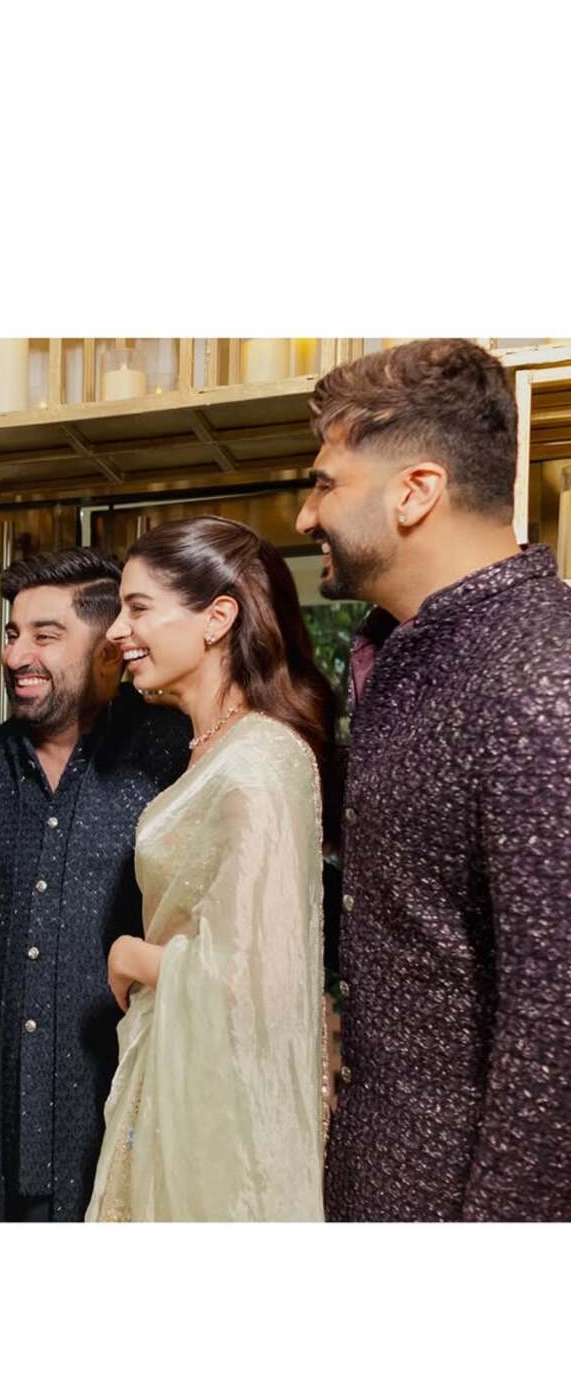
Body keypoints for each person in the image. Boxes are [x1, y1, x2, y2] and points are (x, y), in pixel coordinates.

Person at [297, 338, 571, 1221]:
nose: (304, 516)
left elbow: (556, 1029)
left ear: (415, 491)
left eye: (324, 483)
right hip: (380, 1179)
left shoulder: (542, 677)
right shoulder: (401, 653)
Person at [86, 518, 332, 1222]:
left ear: (217, 618)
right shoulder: (209, 749)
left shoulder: (260, 759)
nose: (116, 632)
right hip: (172, 1074)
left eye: (138, 607)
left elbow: (257, 980)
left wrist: (133, 955)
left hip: (226, 1109)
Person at [0, 548, 190, 1222]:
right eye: (13, 633)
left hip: (129, 1130)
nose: (17, 655)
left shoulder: (174, 758)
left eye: (46, 635)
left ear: (108, 651)